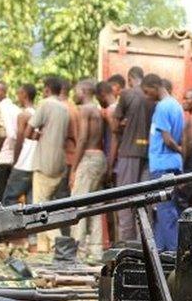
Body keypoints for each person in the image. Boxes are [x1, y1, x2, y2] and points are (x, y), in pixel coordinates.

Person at [140, 74, 185, 251]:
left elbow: (167, 139)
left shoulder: (162, 107)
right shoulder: (176, 105)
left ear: (154, 87)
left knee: (166, 211)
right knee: (163, 211)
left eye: (146, 91)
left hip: (162, 164)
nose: (146, 96)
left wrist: (178, 149)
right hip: (172, 164)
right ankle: (159, 251)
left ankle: (174, 253)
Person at [110, 66, 155, 242]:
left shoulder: (127, 94)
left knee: (125, 200)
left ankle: (126, 245)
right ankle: (143, 246)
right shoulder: (153, 97)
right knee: (145, 202)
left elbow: (114, 126)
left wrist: (123, 125)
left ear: (129, 78)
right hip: (149, 155)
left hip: (128, 152)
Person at [26, 76, 71, 252]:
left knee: (39, 207)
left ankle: (59, 242)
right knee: (48, 203)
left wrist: (37, 135)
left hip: (44, 161)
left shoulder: (45, 104)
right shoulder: (65, 108)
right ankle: (44, 250)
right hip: (60, 161)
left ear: (46, 89)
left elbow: (29, 130)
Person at [69, 80, 107, 263]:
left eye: (76, 91)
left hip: (89, 158)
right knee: (96, 206)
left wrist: (74, 169)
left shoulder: (85, 110)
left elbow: (83, 138)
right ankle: (96, 251)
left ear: (83, 91)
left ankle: (78, 250)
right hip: (100, 158)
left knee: (80, 205)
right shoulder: (98, 110)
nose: (74, 94)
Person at [2, 84, 38, 207]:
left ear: (24, 95)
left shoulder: (23, 115)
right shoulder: (38, 113)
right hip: (35, 163)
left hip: (23, 163)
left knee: (9, 199)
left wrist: (15, 161)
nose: (18, 97)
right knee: (31, 201)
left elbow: (20, 140)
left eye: (19, 94)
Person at [0, 81, 19, 202]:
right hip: (13, 158)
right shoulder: (16, 109)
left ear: (4, 92)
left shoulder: (1, 108)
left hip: (2, 158)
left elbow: (9, 134)